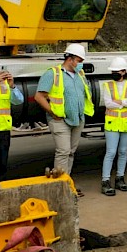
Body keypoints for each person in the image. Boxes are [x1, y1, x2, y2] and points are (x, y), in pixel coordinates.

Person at [33, 43, 94, 195]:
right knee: (63, 151)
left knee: (70, 152)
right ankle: (60, 189)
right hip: (60, 120)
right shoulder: (53, 74)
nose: (81, 64)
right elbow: (39, 97)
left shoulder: (80, 75)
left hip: (78, 119)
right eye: (79, 61)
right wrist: (52, 112)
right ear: (70, 59)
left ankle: (66, 183)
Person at [100, 58, 127, 196]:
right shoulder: (107, 85)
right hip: (112, 123)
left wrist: (119, 102)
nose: (115, 73)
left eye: (117, 71)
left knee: (123, 152)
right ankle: (105, 181)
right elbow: (108, 103)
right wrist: (125, 103)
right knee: (110, 152)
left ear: (124, 72)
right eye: (113, 71)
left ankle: (120, 179)